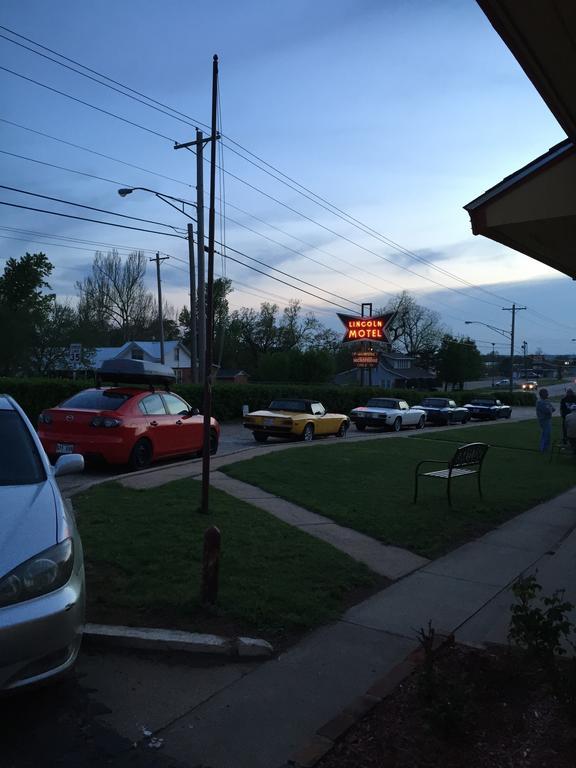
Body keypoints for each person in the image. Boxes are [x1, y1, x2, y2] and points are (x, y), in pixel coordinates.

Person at [536, 388, 555, 452]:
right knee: (545, 434)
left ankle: (546, 447)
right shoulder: (540, 402)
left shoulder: (547, 401)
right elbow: (547, 411)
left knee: (548, 434)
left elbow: (553, 409)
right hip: (543, 420)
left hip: (548, 419)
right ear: (542, 394)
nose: (547, 394)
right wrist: (549, 409)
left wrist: (550, 409)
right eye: (546, 393)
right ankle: (543, 448)